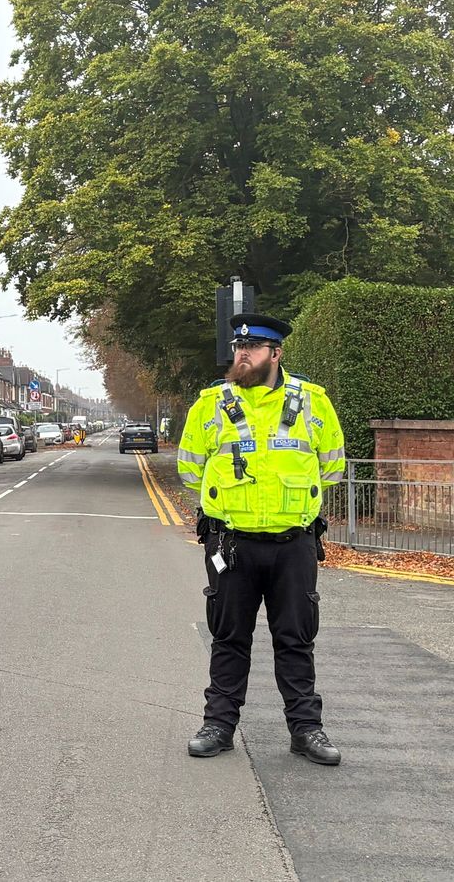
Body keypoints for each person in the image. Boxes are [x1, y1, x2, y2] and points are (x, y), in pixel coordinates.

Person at [177, 313, 346, 766]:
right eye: (238, 348)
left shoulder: (313, 403)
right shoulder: (211, 404)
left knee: (295, 639)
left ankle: (306, 730)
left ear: (277, 354)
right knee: (229, 637)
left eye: (252, 349)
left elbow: (332, 467)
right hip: (231, 545)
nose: (242, 356)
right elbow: (189, 468)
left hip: (294, 544)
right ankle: (219, 725)